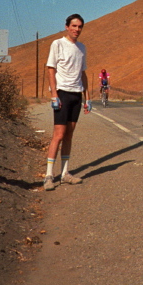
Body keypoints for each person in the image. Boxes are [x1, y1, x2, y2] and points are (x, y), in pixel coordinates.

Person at [44, 14, 90, 191]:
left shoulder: (82, 48)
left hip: (76, 94)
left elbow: (83, 73)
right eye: (74, 26)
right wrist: (54, 94)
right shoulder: (57, 44)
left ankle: (64, 174)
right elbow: (51, 68)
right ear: (67, 26)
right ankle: (49, 175)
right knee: (59, 134)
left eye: (79, 27)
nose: (76, 29)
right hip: (62, 92)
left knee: (70, 135)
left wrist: (87, 97)